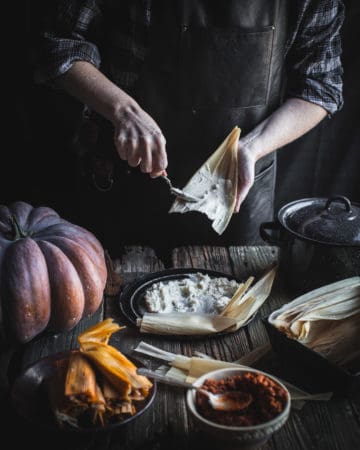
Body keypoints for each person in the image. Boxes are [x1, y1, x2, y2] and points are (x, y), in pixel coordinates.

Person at [29, 0, 344, 256]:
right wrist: (124, 111)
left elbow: (320, 85)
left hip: (240, 203)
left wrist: (253, 147)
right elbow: (58, 43)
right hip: (126, 193)